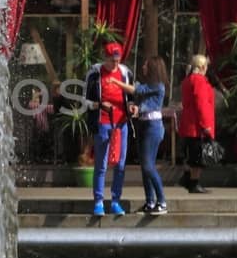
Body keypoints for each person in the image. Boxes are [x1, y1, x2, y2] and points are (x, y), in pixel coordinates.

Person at [85, 42, 135, 216]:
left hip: (121, 124)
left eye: (117, 59)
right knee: (102, 164)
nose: (114, 64)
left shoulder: (125, 73)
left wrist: (132, 107)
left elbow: (131, 96)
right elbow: (86, 101)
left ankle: (115, 200)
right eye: (111, 60)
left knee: (120, 164)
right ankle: (98, 201)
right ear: (104, 57)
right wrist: (99, 105)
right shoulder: (95, 73)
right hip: (103, 122)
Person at [133, 57, 170, 215]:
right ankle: (150, 201)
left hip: (153, 127)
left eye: (146, 65)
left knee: (148, 165)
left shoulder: (157, 86)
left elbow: (138, 92)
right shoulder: (147, 85)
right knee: (145, 167)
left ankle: (161, 201)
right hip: (143, 125)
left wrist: (117, 83)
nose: (143, 67)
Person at [178, 54, 216, 194]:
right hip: (197, 125)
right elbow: (202, 104)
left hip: (188, 123)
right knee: (198, 157)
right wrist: (206, 125)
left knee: (191, 154)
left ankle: (187, 179)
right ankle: (194, 183)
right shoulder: (199, 81)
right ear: (202, 67)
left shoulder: (187, 80)